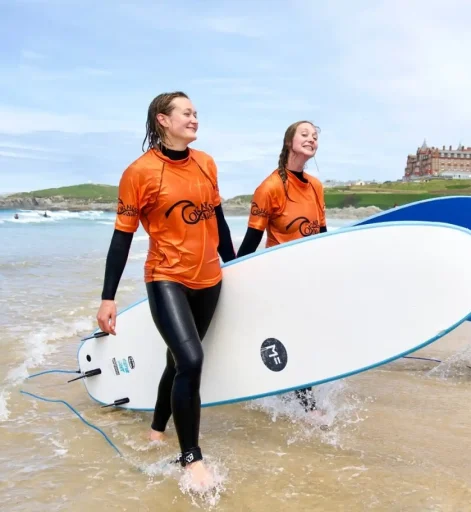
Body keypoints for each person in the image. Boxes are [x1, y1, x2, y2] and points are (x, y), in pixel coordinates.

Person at [95, 91, 236, 489]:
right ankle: (191, 458)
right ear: (163, 119)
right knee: (192, 359)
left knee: (178, 362)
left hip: (209, 279)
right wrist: (108, 296)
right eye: (186, 113)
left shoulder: (206, 163)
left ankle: (156, 429)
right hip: (166, 277)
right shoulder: (139, 172)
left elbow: (219, 222)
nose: (194, 118)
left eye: (195, 112)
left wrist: (238, 263)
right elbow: (121, 239)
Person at [236, 120, 327, 418]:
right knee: (294, 337)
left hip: (309, 277)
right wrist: (232, 277)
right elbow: (251, 241)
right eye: (305, 134)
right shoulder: (270, 188)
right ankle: (309, 407)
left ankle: (289, 390)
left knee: (310, 336)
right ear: (290, 142)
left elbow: (324, 237)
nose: (311, 139)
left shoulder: (315, 186)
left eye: (315, 136)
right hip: (279, 279)